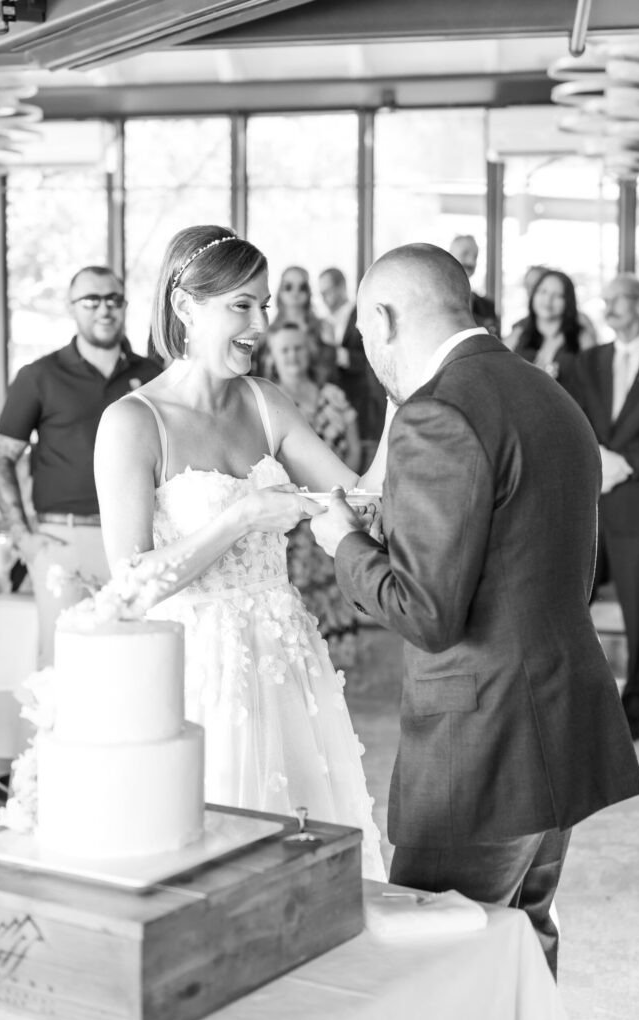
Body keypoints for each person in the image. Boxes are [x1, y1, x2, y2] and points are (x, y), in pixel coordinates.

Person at [311, 242, 639, 977]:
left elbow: (427, 612)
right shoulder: (548, 392)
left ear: (384, 317)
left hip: (481, 745)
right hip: (558, 722)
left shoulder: (438, 414)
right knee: (522, 948)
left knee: (439, 964)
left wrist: (343, 543)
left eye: (367, 337)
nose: (369, 355)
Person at [94, 225, 389, 880]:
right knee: (212, 866)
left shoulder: (265, 401)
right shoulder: (132, 423)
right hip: (195, 673)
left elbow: (361, 495)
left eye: (263, 303)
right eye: (242, 305)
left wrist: (404, 392)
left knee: (307, 856)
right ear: (185, 307)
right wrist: (245, 516)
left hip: (285, 664)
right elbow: (132, 584)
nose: (262, 321)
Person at [0, 265, 161, 668]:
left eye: (113, 299)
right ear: (71, 308)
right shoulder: (39, 376)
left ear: (124, 306)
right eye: (92, 300)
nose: (104, 309)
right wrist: (24, 536)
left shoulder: (150, 376)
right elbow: (0, 457)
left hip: (137, 544)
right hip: (62, 541)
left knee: (132, 663)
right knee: (62, 665)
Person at [568, 273, 639, 742]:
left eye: (617, 302)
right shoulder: (590, 361)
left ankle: (637, 703)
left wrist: (627, 463)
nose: (609, 311)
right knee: (570, 602)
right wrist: (598, 457)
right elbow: (573, 411)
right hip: (590, 505)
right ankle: (578, 697)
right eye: (605, 303)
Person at [267, 320, 361, 669]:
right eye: (284, 349)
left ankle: (340, 674)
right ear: (273, 356)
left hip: (333, 508)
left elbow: (351, 451)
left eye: (297, 347)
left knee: (334, 586)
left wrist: (332, 496)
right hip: (289, 520)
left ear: (308, 351)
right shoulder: (266, 402)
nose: (292, 355)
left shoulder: (332, 396)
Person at [319, 266, 387, 468]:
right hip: (340, 410)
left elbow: (374, 357)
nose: (324, 298)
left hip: (365, 404)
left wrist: (336, 353)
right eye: (321, 293)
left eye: (328, 291)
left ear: (342, 287)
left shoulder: (361, 313)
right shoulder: (323, 322)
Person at [504, 269, 595, 385]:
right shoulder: (517, 334)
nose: (548, 300)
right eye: (543, 292)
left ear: (568, 301)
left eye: (558, 295)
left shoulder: (582, 338)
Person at [255, 265, 333, 383]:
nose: (295, 292)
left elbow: (332, 370)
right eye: (288, 287)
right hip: (277, 396)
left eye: (302, 287)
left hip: (319, 396)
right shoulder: (267, 333)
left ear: (308, 292)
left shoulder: (324, 327)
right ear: (280, 291)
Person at [448, 234, 499, 335]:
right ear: (450, 256)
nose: (471, 261)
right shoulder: (437, 301)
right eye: (465, 254)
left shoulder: (487, 306)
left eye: (475, 256)